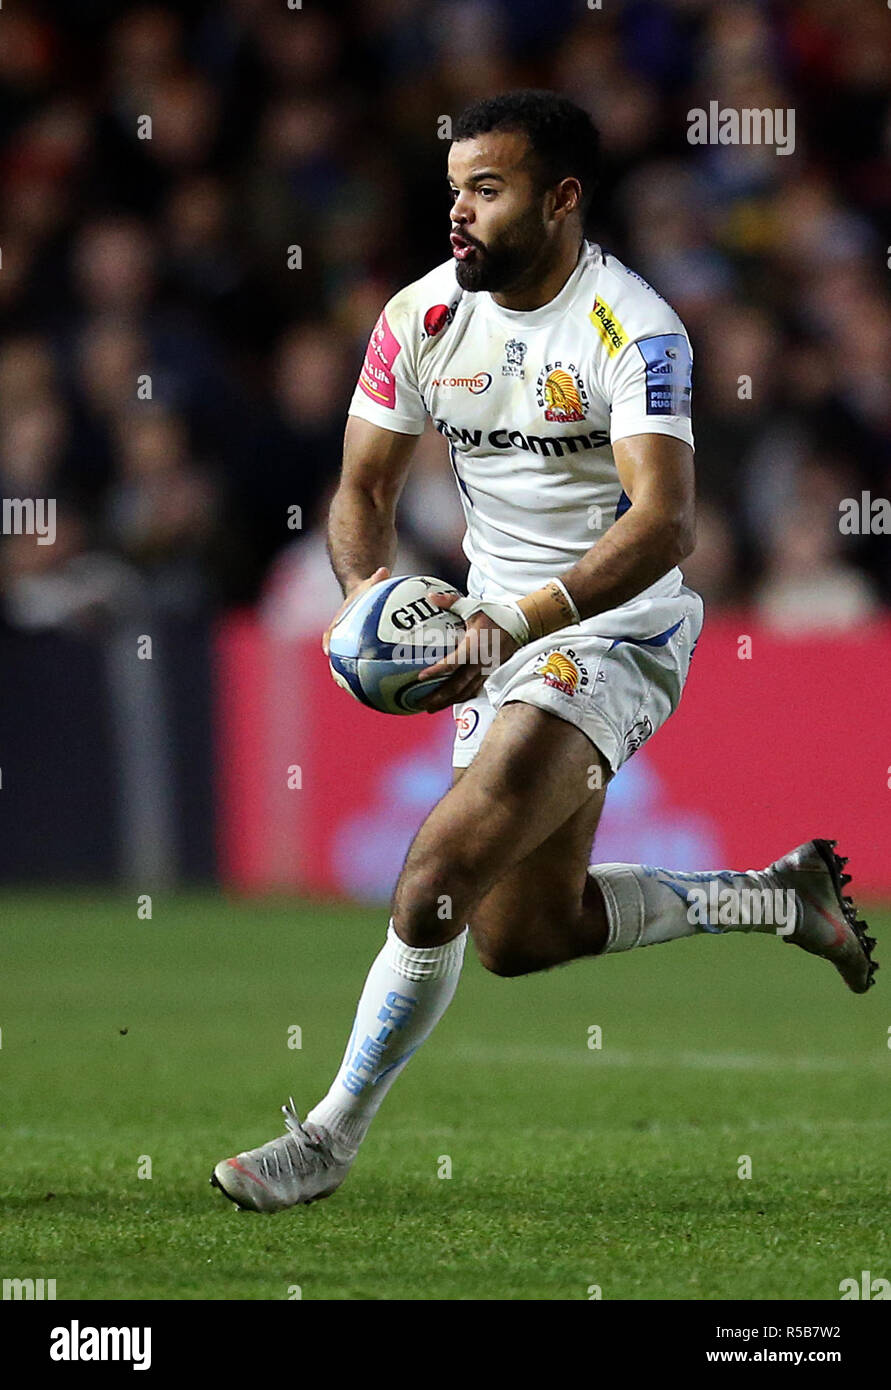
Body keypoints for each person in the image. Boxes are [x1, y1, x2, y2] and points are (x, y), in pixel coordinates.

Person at [211, 91, 877, 1214]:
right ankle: (778, 898)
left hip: (613, 631)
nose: (459, 215)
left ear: (561, 198)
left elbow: (665, 521)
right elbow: (361, 491)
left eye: (488, 190)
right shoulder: (424, 317)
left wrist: (516, 624)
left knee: (431, 880)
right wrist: (368, 595)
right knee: (523, 935)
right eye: (454, 190)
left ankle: (325, 1137)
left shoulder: (633, 326)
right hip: (490, 632)